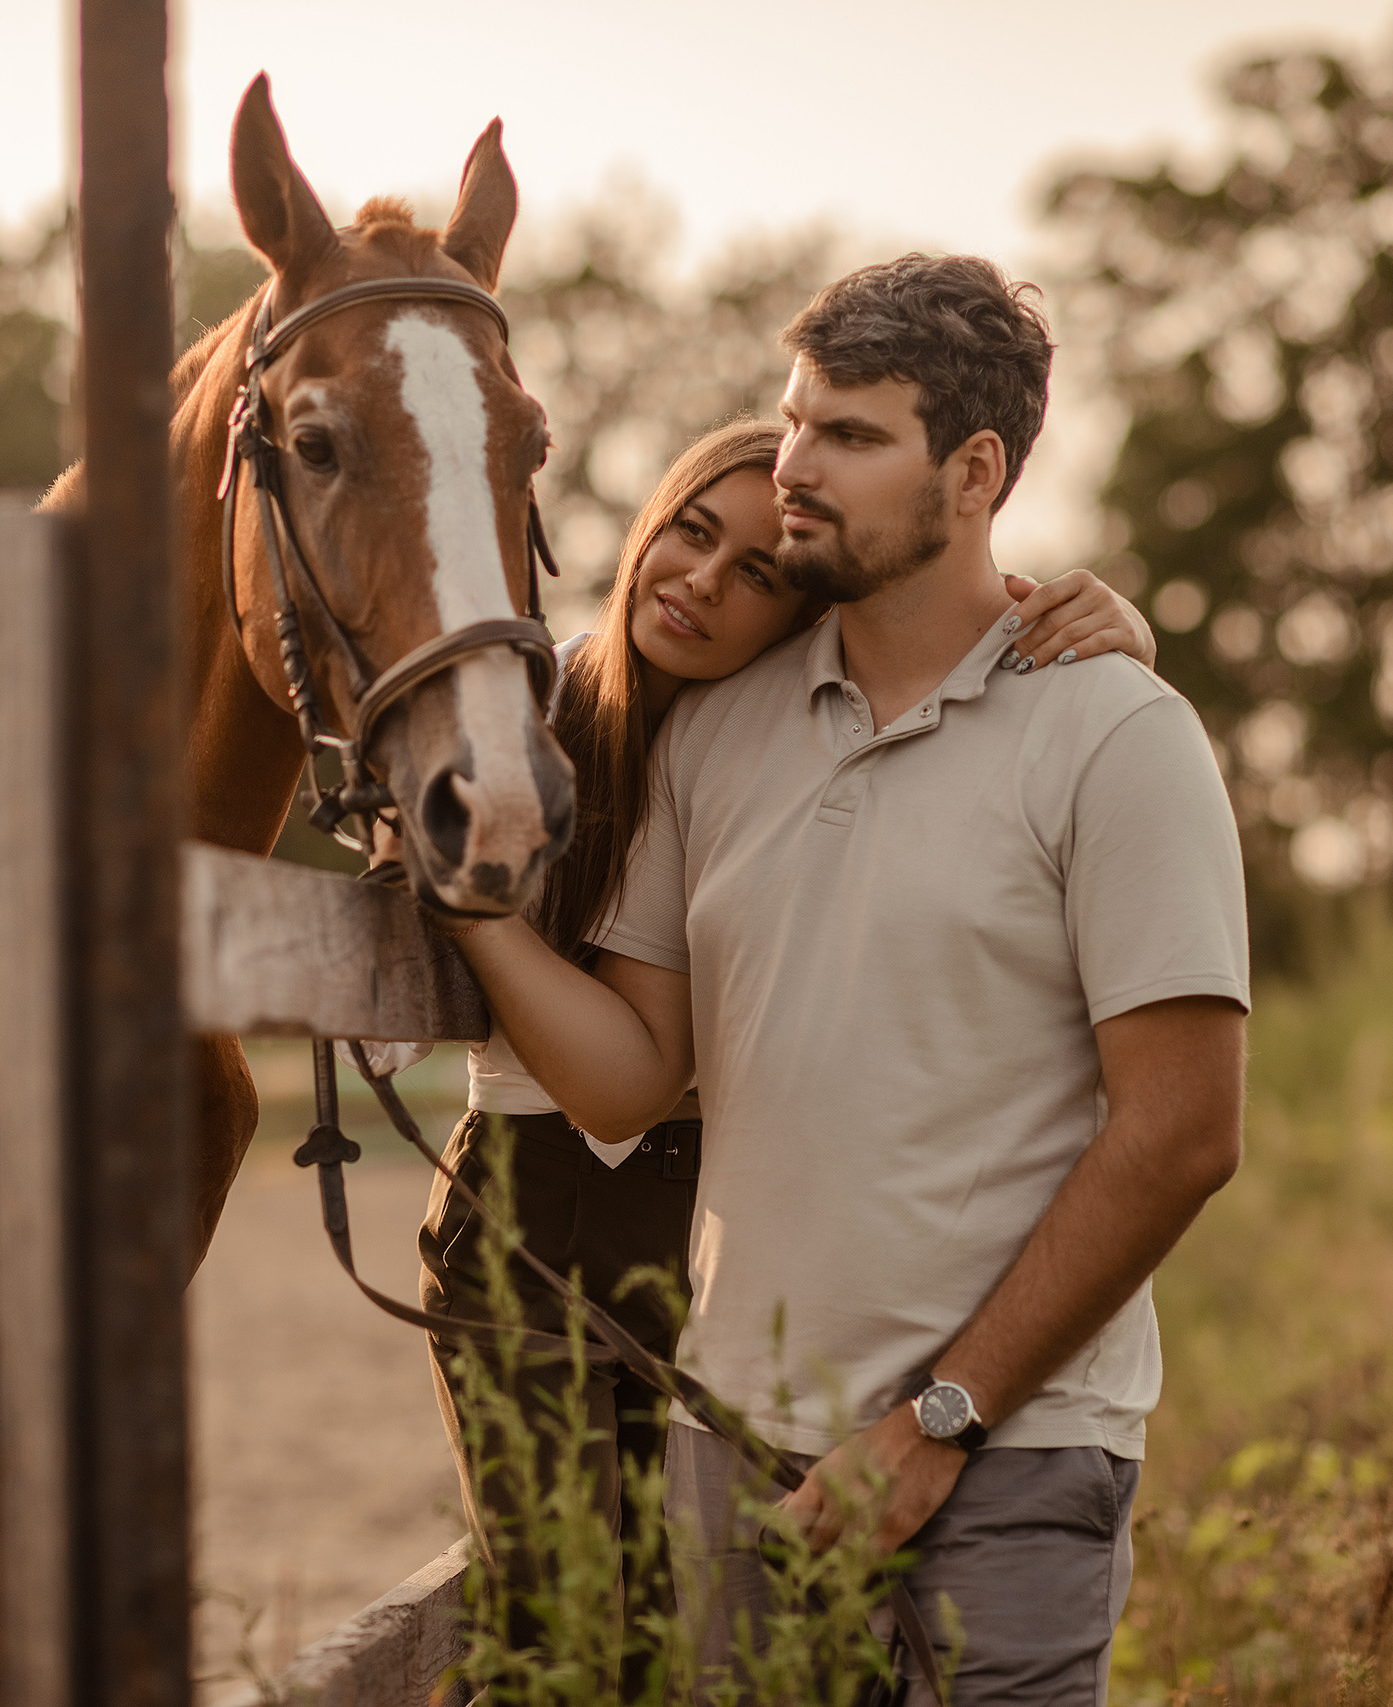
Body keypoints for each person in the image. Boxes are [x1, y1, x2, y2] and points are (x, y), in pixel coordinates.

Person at [446, 255, 1250, 1704]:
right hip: (738, 1452)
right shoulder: (713, 729)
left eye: (852, 437)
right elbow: (632, 1078)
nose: (795, 469)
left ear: (974, 470)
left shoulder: (1115, 733)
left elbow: (1185, 1130)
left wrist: (940, 1422)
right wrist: (474, 911)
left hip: (1013, 1453)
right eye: (794, 419)